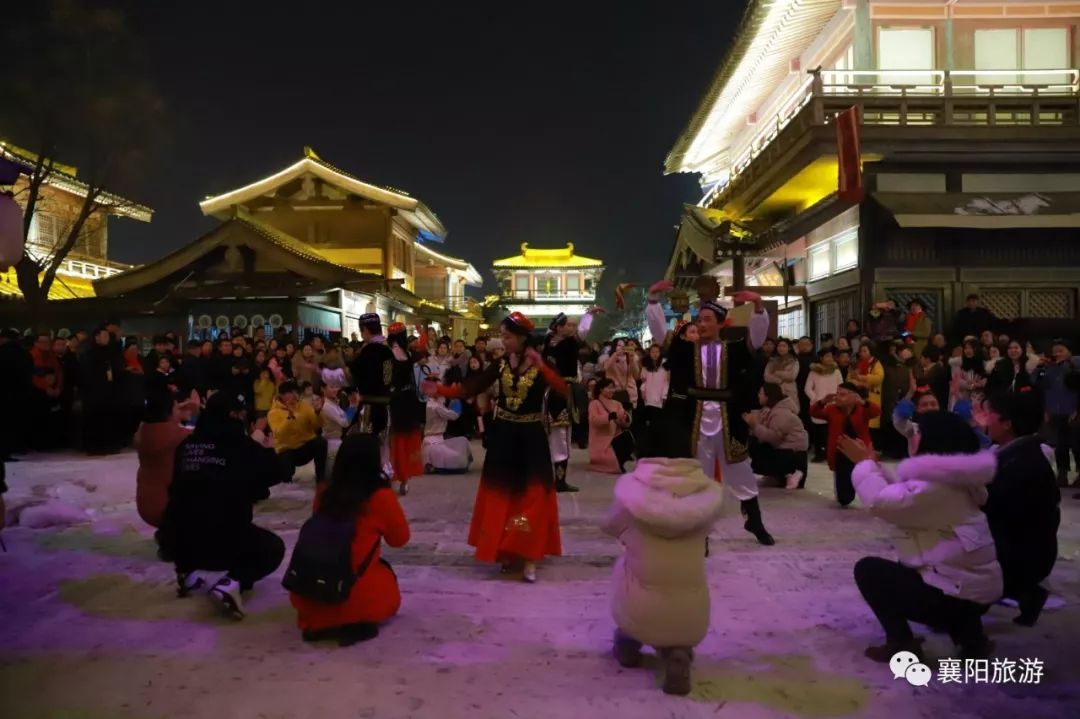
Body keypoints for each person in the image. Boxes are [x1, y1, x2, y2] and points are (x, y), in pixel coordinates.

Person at [844, 412, 1001, 662]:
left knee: (870, 571)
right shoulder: (953, 479)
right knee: (916, 566)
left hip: (959, 594)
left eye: (916, 432)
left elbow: (882, 502)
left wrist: (864, 465)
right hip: (974, 588)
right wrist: (873, 464)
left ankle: (902, 642)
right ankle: (972, 640)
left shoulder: (938, 486)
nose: (912, 436)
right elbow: (905, 493)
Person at [423, 311, 567, 582]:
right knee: (504, 495)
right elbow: (471, 387)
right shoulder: (500, 364)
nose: (503, 342)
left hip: (532, 437)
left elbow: (564, 390)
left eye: (507, 337)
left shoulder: (542, 364)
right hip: (504, 435)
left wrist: (543, 366)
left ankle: (528, 555)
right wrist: (440, 391)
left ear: (523, 339)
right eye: (502, 336)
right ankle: (507, 551)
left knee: (532, 497)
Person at [645, 281, 775, 546]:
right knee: (698, 474)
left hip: (728, 416)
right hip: (695, 417)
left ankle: (754, 519)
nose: (701, 324)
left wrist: (759, 307)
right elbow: (660, 335)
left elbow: (758, 339)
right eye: (699, 320)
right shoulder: (685, 348)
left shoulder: (735, 348)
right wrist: (653, 301)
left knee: (740, 469)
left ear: (719, 323)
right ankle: (700, 531)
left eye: (706, 320)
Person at [601, 456, 724, 696]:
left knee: (626, 568)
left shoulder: (632, 493)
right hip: (692, 618)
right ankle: (677, 652)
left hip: (641, 609)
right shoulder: (710, 495)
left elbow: (609, 526)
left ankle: (628, 643)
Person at [159, 391, 288, 619]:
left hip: (177, 537)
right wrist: (265, 447)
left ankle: (191, 574)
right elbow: (277, 473)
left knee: (195, 514)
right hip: (222, 536)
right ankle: (230, 582)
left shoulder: (188, 445)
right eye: (241, 414)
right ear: (233, 415)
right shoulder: (240, 445)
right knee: (272, 548)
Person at [289, 434, 410, 645]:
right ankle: (355, 620)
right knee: (386, 581)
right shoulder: (380, 497)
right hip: (353, 592)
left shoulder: (325, 491)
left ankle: (325, 623)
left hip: (311, 591)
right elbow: (400, 539)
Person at [982, 389, 1061, 627]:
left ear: (1007, 423)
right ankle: (1025, 591)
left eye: (991, 414)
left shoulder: (1021, 464)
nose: (986, 420)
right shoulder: (1019, 453)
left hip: (1022, 557)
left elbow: (991, 513)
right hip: (1031, 553)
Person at [544, 310, 598, 492]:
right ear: (559, 328)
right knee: (561, 436)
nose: (572, 328)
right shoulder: (567, 343)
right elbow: (582, 333)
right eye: (568, 325)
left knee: (559, 435)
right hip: (561, 392)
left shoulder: (548, 343)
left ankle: (556, 478)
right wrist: (589, 316)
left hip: (553, 392)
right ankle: (559, 481)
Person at [134, 389, 197, 531]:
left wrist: (176, 413)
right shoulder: (177, 436)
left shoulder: (142, 432)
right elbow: (208, 433)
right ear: (168, 411)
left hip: (145, 503)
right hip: (168, 506)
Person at [810, 382, 880, 507]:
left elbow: (876, 411)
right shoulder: (832, 409)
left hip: (860, 453)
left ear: (854, 397)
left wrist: (864, 402)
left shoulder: (862, 409)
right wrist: (822, 401)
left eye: (842, 394)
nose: (837, 397)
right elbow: (814, 412)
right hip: (840, 453)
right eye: (837, 394)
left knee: (865, 482)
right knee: (844, 497)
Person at [348, 313, 395, 481]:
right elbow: (390, 378)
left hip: (368, 406)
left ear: (366, 330)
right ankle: (385, 473)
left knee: (366, 443)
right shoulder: (388, 351)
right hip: (387, 406)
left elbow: (353, 375)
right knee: (383, 443)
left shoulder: (365, 352)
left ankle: (368, 477)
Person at [1033, 339, 1080, 486]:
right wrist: (1039, 368)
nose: (1057, 354)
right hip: (1055, 411)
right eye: (1055, 352)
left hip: (1074, 411)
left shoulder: (1076, 363)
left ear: (1069, 351)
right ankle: (1062, 472)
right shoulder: (1049, 367)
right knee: (1060, 444)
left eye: (1061, 350)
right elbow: (1038, 384)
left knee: (1077, 444)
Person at [746, 384, 809, 490]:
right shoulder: (771, 410)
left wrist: (755, 426)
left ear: (768, 396)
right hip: (786, 451)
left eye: (761, 393)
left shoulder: (781, 412)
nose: (758, 396)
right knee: (755, 444)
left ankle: (792, 473)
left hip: (793, 456)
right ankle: (776, 476)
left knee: (757, 449)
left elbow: (774, 437)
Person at [387, 322, 425, 495]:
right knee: (401, 440)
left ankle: (402, 476)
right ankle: (401, 476)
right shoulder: (394, 353)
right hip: (401, 400)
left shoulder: (402, 351)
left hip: (404, 400)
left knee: (401, 440)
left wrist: (422, 334)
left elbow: (421, 352)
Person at [268, 380, 328, 484]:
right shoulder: (273, 413)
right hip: (287, 450)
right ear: (282, 395)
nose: (295, 395)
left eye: (296, 392)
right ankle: (287, 482)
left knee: (321, 442)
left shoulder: (304, 406)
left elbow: (317, 425)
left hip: (304, 446)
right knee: (285, 467)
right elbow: (279, 434)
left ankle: (321, 478)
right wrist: (289, 418)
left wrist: (318, 413)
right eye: (291, 392)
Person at [80, 327, 123, 455]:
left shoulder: (111, 352)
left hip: (109, 391)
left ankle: (109, 445)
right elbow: (86, 374)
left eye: (107, 337)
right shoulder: (89, 354)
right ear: (96, 337)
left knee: (108, 418)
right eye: (104, 336)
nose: (106, 339)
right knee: (94, 419)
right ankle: (94, 446)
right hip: (94, 392)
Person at [805, 348, 843, 463]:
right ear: (821, 358)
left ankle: (831, 452)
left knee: (832, 431)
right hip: (819, 405)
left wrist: (837, 398)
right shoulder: (814, 372)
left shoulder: (836, 371)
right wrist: (815, 398)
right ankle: (819, 453)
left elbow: (841, 386)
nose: (829, 359)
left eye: (831, 356)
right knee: (818, 432)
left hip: (833, 404)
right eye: (827, 356)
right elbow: (807, 388)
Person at [589, 378, 634, 474]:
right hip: (602, 442)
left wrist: (626, 418)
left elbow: (624, 422)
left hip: (615, 439)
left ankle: (619, 461)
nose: (612, 390)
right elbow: (594, 421)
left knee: (628, 436)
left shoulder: (617, 403)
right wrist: (609, 416)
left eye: (613, 388)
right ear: (601, 389)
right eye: (609, 388)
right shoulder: (594, 404)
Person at [638, 343, 669, 459]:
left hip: (660, 397)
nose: (655, 354)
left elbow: (667, 382)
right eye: (652, 352)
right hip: (649, 397)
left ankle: (659, 449)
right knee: (649, 423)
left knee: (659, 423)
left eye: (657, 351)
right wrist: (642, 390)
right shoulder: (646, 365)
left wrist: (664, 395)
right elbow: (643, 381)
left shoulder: (665, 365)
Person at [850, 343, 884, 442]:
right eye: (861, 351)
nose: (862, 353)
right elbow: (850, 378)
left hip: (872, 396)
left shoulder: (876, 363)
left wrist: (862, 378)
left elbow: (879, 378)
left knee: (871, 423)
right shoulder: (857, 364)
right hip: (859, 397)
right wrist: (858, 383)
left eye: (865, 351)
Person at [949, 340, 988, 411]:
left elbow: (987, 379)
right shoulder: (957, 363)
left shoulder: (984, 364)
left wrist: (982, 383)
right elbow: (957, 381)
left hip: (978, 398)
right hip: (961, 398)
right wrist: (972, 386)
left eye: (971, 348)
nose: (968, 350)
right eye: (966, 348)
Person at [763, 338, 799, 403]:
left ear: (789, 348)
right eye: (779, 346)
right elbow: (766, 376)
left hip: (789, 391)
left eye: (784, 346)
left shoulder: (794, 361)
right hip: (774, 390)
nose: (781, 348)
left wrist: (776, 373)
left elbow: (792, 376)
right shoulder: (772, 361)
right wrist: (779, 380)